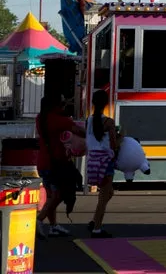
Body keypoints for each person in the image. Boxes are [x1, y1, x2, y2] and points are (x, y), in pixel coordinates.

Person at [35, 94, 83, 238]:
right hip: (54, 164)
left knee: (51, 196)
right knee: (58, 195)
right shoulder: (58, 120)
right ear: (55, 106)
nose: (64, 106)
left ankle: (54, 226)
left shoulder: (40, 118)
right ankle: (39, 219)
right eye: (62, 103)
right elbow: (79, 131)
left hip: (43, 162)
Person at [85, 89, 120, 237]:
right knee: (104, 196)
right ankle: (97, 228)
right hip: (106, 161)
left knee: (108, 192)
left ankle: (94, 221)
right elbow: (113, 145)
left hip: (93, 161)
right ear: (106, 103)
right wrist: (122, 138)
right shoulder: (109, 122)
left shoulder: (89, 121)